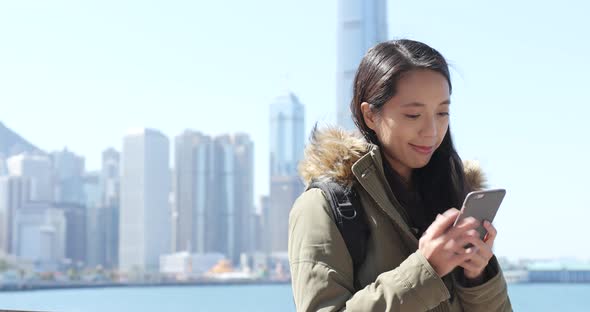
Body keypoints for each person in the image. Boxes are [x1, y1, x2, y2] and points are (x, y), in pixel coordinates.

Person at [288, 39, 512, 311]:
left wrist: (478, 277)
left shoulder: (454, 191)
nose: (431, 131)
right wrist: (426, 269)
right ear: (370, 115)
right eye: (413, 115)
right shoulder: (323, 206)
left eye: (442, 113)